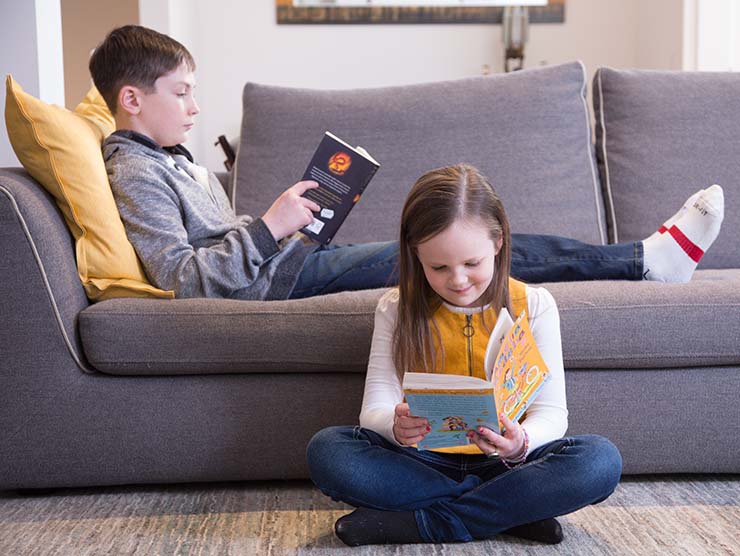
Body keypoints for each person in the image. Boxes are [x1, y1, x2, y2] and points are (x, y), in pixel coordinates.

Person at [90, 25, 724, 302]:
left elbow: (218, 249)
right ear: (132, 98)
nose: (196, 107)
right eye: (182, 93)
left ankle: (644, 259)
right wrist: (271, 226)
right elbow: (183, 280)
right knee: (457, 250)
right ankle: (645, 261)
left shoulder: (169, 159)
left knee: (452, 243)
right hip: (279, 281)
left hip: (287, 264)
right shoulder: (135, 172)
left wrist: (296, 220)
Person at [306, 164, 624, 546]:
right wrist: (394, 425)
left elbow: (552, 414)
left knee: (599, 461)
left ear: (498, 242)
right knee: (328, 451)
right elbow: (373, 408)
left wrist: (521, 441)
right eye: (438, 267)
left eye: (472, 264)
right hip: (420, 463)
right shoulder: (396, 307)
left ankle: (424, 522)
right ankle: (508, 514)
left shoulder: (535, 304)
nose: (457, 281)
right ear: (415, 255)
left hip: (507, 465)